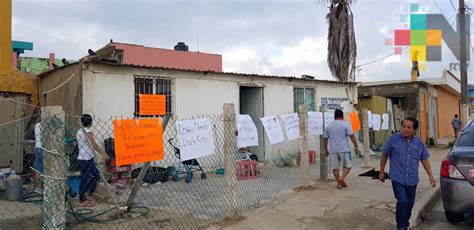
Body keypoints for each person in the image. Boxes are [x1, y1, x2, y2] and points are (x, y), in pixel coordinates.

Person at [379, 117, 436, 230]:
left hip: (412, 179)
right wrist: (381, 171)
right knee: (403, 201)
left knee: (409, 204)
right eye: (403, 126)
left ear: (414, 130)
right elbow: (384, 154)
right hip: (397, 177)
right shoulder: (393, 139)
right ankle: (401, 226)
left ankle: (404, 223)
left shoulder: (419, 143)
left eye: (409, 127)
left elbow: (424, 159)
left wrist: (431, 176)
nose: (405, 129)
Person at [76, 114, 109, 208]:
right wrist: (103, 153)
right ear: (90, 123)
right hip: (84, 159)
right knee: (84, 179)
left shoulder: (79, 131)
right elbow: (93, 144)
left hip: (86, 158)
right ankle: (82, 200)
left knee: (96, 175)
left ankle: (86, 193)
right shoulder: (87, 131)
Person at [323, 109, 360, 189]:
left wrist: (325, 149)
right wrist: (356, 146)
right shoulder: (345, 124)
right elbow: (352, 136)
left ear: (334, 116)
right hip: (344, 149)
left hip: (333, 150)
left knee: (335, 168)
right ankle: (342, 178)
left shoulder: (328, 126)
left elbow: (325, 139)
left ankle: (339, 184)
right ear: (342, 116)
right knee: (348, 166)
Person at [33, 122, 43, 194]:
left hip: (37, 147)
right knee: (45, 168)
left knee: (38, 169)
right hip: (43, 148)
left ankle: (38, 187)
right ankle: (41, 187)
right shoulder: (45, 126)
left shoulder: (37, 125)